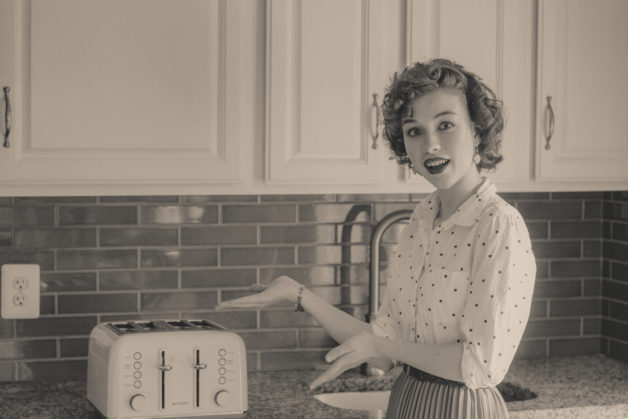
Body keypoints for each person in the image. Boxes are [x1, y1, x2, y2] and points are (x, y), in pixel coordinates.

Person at [216, 58, 536, 418]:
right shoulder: (421, 221)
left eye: (445, 125)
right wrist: (298, 294)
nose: (430, 144)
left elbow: (480, 364)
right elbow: (382, 346)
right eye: (414, 131)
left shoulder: (498, 224)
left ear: (477, 131)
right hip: (408, 399)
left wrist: (382, 344)